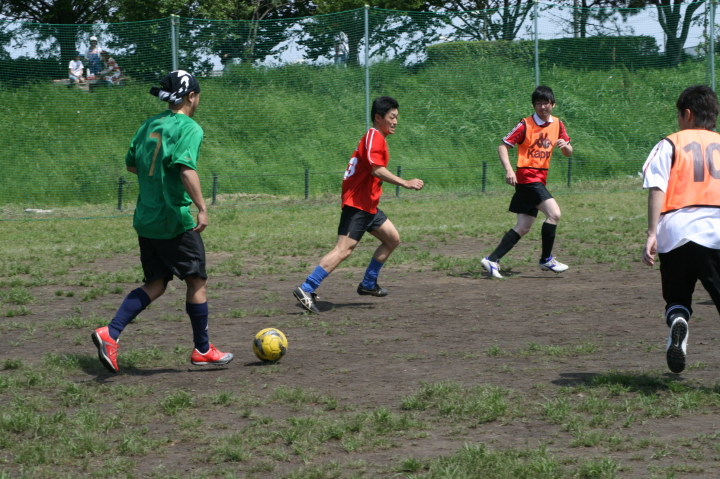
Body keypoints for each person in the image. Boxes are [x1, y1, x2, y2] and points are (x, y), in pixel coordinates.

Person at [91, 70, 233, 373]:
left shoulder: (149, 125)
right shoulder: (189, 127)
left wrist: (155, 176)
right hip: (173, 220)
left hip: (146, 218)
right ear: (191, 96)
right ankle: (202, 350)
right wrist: (202, 207)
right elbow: (185, 169)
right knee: (196, 280)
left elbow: (132, 164)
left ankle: (110, 334)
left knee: (156, 282)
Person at [293, 96, 424, 313]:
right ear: (378, 117)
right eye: (392, 117)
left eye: (396, 117)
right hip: (357, 205)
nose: (395, 122)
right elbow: (376, 169)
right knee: (343, 250)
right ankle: (306, 288)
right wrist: (405, 182)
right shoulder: (373, 137)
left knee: (392, 239)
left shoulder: (379, 139)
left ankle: (368, 284)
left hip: (369, 206)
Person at [642, 85, 720, 374]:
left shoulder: (669, 144)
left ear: (687, 114)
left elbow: (657, 188)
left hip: (674, 230)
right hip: (715, 229)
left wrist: (652, 233)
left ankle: (678, 320)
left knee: (677, 298)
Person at [480, 85, 573, 279]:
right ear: (534, 105)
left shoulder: (558, 124)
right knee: (554, 214)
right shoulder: (525, 124)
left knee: (523, 227)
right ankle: (546, 259)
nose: (542, 107)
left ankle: (492, 259)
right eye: (538, 103)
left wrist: (565, 147)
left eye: (546, 103)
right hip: (528, 178)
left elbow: (568, 152)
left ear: (553, 104)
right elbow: (503, 146)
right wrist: (509, 170)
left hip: (539, 179)